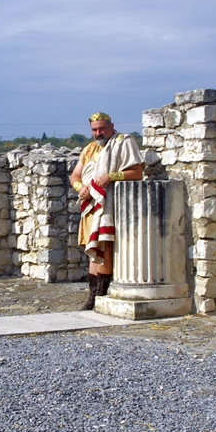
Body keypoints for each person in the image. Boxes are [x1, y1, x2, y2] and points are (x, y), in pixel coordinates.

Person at [69, 112, 143, 310]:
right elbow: (75, 176)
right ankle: (92, 296)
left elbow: (137, 173)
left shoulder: (123, 142)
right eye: (94, 130)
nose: (98, 133)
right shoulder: (89, 149)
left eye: (102, 128)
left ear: (111, 127)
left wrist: (111, 176)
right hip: (90, 207)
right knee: (93, 251)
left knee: (104, 247)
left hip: (110, 205)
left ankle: (101, 294)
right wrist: (80, 188)